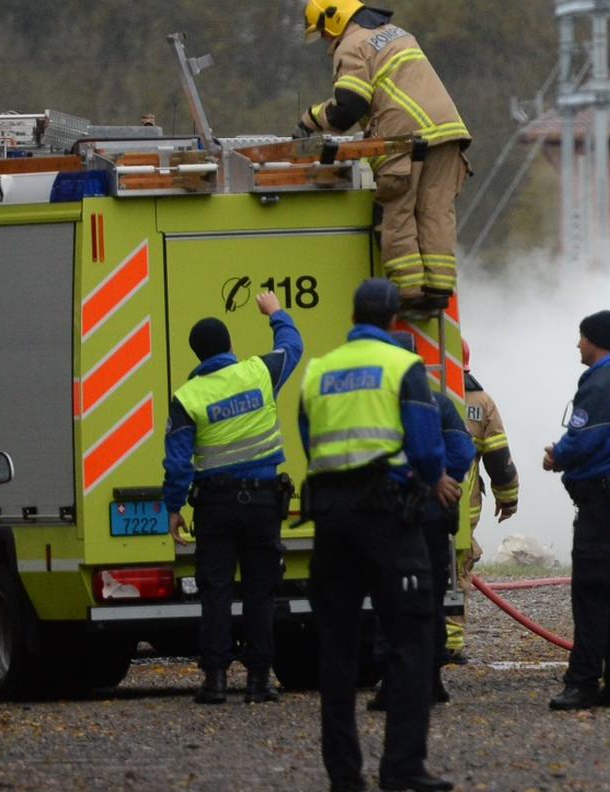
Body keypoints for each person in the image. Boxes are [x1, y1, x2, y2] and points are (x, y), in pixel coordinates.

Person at [299, 278, 458, 792]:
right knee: (411, 642)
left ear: (353, 316)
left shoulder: (317, 372)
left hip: (331, 521)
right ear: (394, 321)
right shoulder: (402, 367)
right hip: (388, 519)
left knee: (338, 651)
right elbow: (427, 446)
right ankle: (402, 768)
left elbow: (310, 440)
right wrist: (430, 480)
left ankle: (344, 776)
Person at [163, 291, 303, 705]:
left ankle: (215, 681)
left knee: (217, 591)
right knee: (261, 590)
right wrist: (276, 313)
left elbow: (177, 463)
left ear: (197, 353)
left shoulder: (187, 397)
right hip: (262, 503)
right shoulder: (259, 372)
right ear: (228, 346)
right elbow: (293, 347)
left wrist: (174, 508)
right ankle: (260, 681)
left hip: (214, 507)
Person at [298, 1, 471, 309]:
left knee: (396, 211)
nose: (326, 42)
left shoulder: (352, 45)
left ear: (334, 18)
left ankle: (409, 294)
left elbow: (348, 107)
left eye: (324, 33)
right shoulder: (397, 34)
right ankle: (440, 290)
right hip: (447, 132)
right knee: (435, 211)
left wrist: (309, 120)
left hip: (404, 139)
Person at [543, 310, 610, 710]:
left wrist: (557, 456)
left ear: (595, 340)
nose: (577, 344)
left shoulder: (602, 382)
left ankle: (582, 682)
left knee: (589, 591)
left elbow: (584, 438)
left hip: (601, 504)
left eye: (581, 337)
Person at [366, 331, 475, 711]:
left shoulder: (376, 406)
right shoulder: (441, 404)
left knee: (388, 599)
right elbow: (463, 451)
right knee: (428, 597)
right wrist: (441, 483)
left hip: (391, 516)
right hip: (432, 517)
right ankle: (432, 680)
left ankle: (391, 683)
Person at [447, 339, 520, 664]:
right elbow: (498, 458)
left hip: (419, 504)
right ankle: (451, 642)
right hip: (463, 510)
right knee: (457, 570)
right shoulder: (481, 402)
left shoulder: (416, 392)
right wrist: (508, 498)